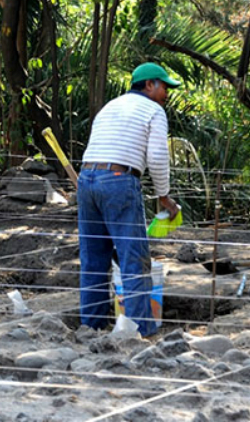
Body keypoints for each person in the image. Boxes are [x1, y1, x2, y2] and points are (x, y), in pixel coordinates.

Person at [77, 62, 181, 337]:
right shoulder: (153, 110)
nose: (166, 94)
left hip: (87, 178)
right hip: (119, 179)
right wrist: (164, 197)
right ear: (149, 85)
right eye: (164, 87)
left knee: (93, 258)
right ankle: (140, 332)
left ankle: (91, 327)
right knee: (134, 260)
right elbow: (157, 157)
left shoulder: (110, 106)